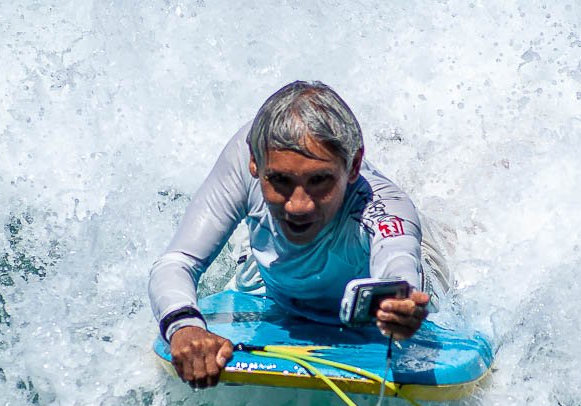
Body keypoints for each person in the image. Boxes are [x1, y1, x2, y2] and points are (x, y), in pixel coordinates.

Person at [149, 81, 451, 389]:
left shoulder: (384, 206)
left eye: (319, 181)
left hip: (411, 262)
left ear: (354, 165)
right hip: (271, 278)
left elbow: (398, 261)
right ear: (254, 162)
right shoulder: (253, 150)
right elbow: (177, 261)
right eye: (280, 180)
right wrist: (184, 326)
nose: (298, 205)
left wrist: (402, 305)